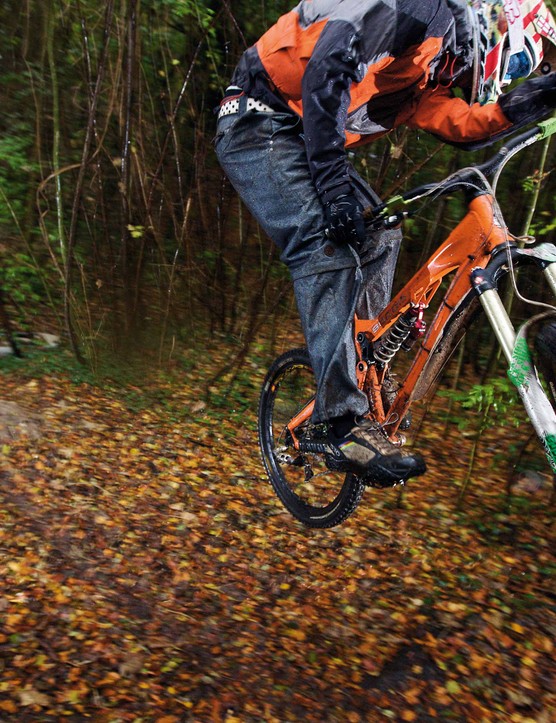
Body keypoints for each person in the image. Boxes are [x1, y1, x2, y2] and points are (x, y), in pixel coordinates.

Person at [215, 0, 556, 483]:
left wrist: (545, 94)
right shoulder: (417, 11)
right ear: (500, 20)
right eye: (524, 63)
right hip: (257, 119)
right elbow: (327, 71)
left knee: (382, 231)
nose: (516, 74)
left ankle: (363, 363)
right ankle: (340, 424)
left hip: (302, 136)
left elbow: (466, 126)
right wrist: (334, 191)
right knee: (325, 246)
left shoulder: (430, 74)